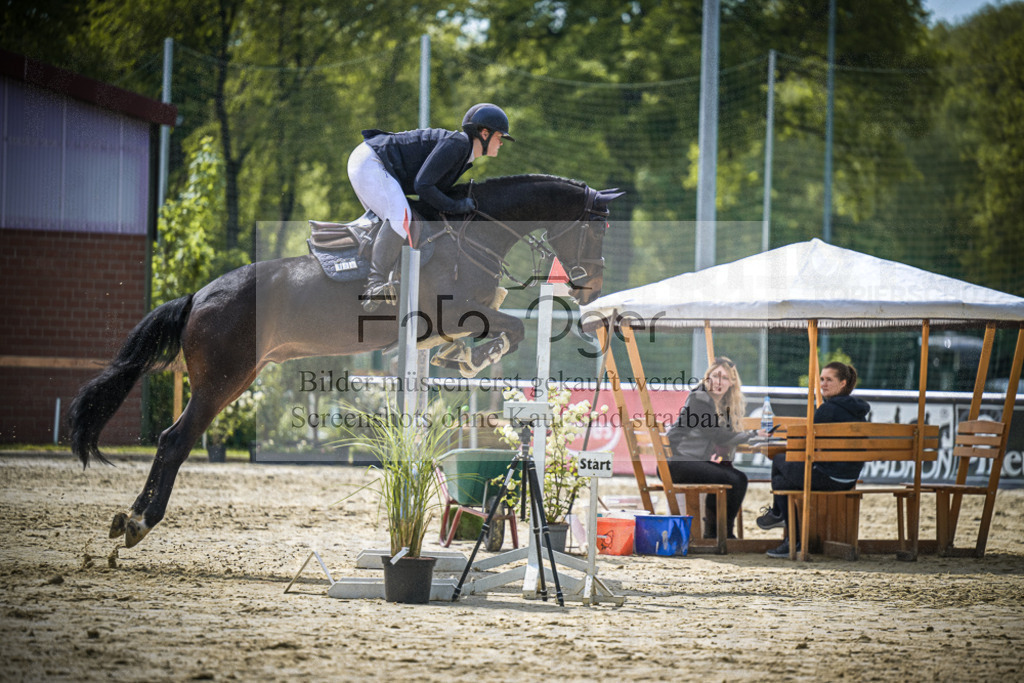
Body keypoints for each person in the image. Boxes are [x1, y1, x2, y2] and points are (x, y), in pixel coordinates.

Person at [347, 103, 514, 312]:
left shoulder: (464, 154)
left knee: (403, 223)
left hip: (372, 163)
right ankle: (374, 284)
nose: (501, 142)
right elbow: (423, 185)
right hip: (372, 161)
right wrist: (456, 206)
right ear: (484, 133)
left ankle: (386, 278)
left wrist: (456, 205)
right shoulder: (459, 144)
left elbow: (430, 194)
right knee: (401, 218)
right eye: (500, 137)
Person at [758, 361, 870, 558]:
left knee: (778, 459)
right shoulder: (858, 412)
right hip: (849, 479)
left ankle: (780, 517)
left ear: (843, 383)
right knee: (781, 482)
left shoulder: (828, 410)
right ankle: (790, 538)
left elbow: (805, 447)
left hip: (827, 477)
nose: (823, 384)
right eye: (821, 379)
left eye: (829, 380)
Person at [667, 357, 765, 539]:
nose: (719, 382)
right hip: (678, 463)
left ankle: (716, 532)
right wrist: (752, 435)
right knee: (735, 479)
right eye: (715, 376)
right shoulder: (699, 398)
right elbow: (718, 435)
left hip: (689, 462)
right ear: (707, 378)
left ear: (732, 383)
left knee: (734, 477)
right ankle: (721, 533)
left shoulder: (720, 404)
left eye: (725, 378)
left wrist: (744, 434)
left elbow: (725, 433)